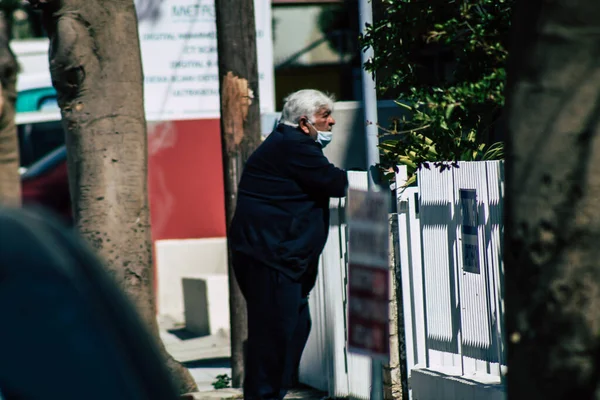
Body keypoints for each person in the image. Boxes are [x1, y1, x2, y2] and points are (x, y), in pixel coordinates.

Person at [229, 89, 348, 399]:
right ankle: (265, 394)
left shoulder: (288, 142)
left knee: (293, 327)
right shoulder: (294, 146)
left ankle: (274, 391)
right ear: (305, 122)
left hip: (275, 256)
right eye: (325, 116)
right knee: (274, 336)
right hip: (270, 258)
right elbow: (335, 183)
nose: (332, 121)